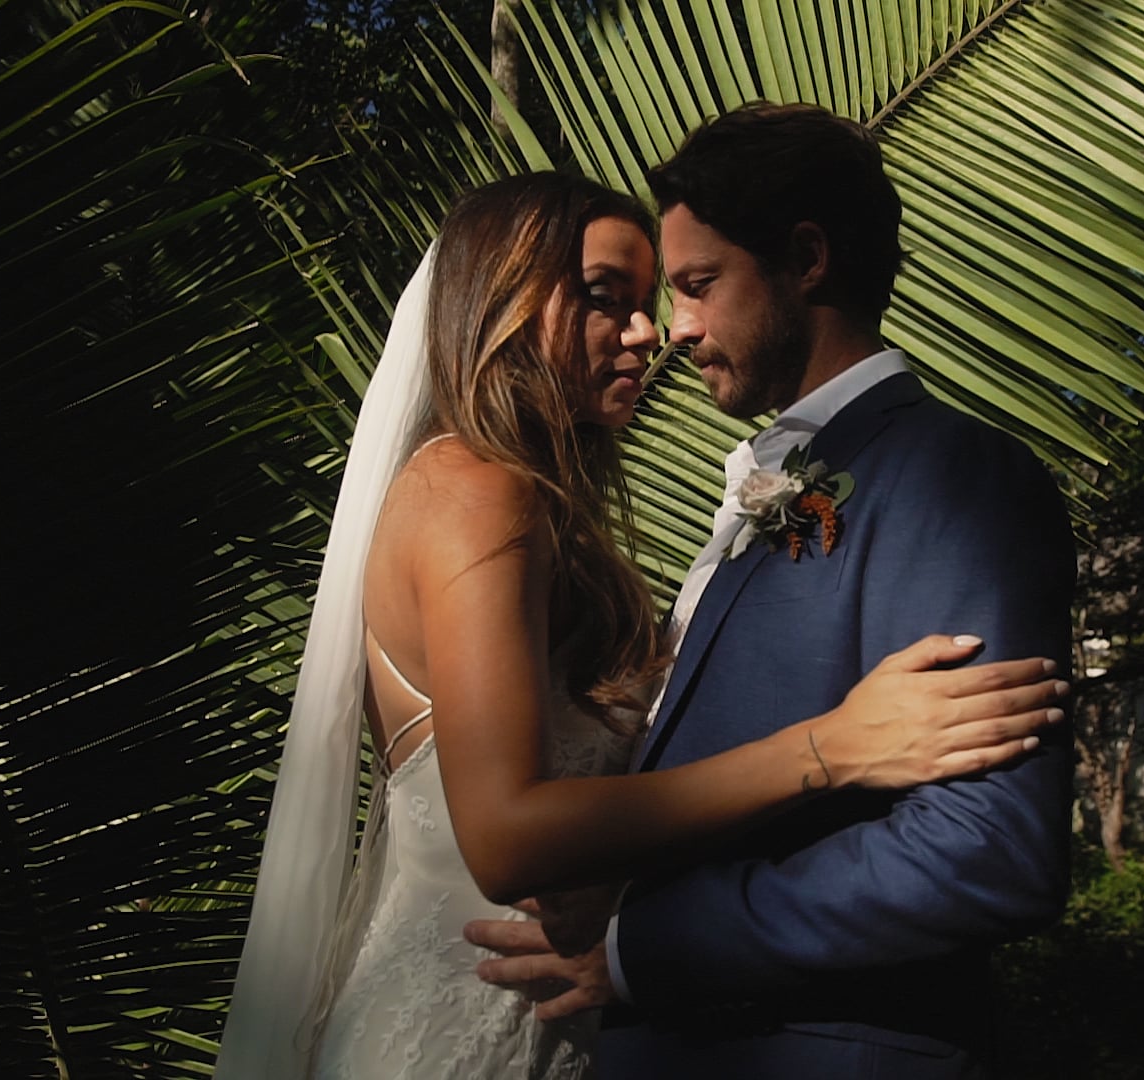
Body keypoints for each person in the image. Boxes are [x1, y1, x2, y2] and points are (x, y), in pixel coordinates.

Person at [213, 172, 1069, 1080]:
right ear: (502, 301)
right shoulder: (474, 489)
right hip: (461, 1027)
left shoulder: (541, 514)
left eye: (655, 296)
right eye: (602, 297)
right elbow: (505, 837)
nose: (651, 330)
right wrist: (832, 747)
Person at [465, 106, 1078, 1078]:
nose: (676, 329)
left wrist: (643, 951)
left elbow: (988, 849)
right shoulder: (766, 480)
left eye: (700, 285)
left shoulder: (956, 475)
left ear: (806, 258)